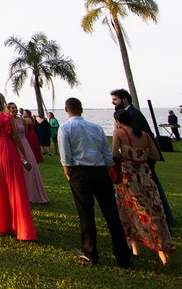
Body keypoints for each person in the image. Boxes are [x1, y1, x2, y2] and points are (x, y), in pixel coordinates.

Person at [59, 97, 130, 268]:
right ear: (81, 109)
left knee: (86, 213)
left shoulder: (66, 128)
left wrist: (68, 171)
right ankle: (122, 254)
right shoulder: (96, 128)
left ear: (66, 110)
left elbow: (65, 155)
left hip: (80, 172)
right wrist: (106, 169)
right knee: (111, 213)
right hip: (100, 171)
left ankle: (90, 251)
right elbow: (107, 153)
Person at [112, 109, 175, 266]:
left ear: (118, 121)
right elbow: (155, 155)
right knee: (153, 210)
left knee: (128, 210)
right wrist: (140, 154)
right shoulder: (145, 135)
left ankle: (134, 247)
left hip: (127, 177)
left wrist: (127, 155)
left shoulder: (118, 133)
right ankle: (162, 251)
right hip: (145, 176)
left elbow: (114, 154)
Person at [111, 89, 175, 227]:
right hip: (135, 162)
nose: (113, 102)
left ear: (125, 100)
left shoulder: (133, 114)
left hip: (141, 162)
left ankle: (164, 219)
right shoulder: (128, 115)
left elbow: (143, 135)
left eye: (115, 99)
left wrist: (142, 156)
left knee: (151, 190)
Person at [0, 93, 35, 240]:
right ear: (3, 102)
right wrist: (24, 154)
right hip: (8, 150)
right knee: (14, 186)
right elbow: (15, 137)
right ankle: (19, 224)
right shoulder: (8, 117)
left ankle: (0, 222)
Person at [8, 103, 48, 204]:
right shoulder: (8, 120)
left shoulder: (23, 120)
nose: (15, 109)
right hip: (14, 146)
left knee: (30, 168)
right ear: (8, 109)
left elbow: (25, 134)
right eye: (12, 108)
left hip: (24, 144)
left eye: (16, 107)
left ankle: (32, 194)